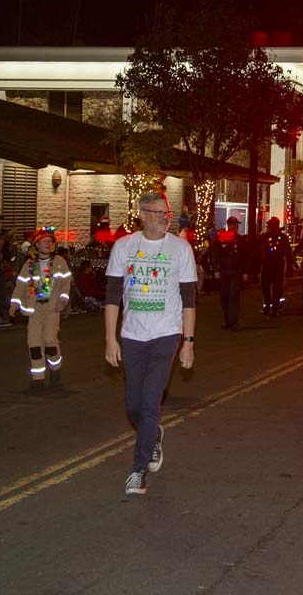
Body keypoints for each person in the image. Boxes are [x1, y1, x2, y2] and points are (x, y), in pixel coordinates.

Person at [104, 192, 196, 496]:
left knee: (150, 400)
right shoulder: (124, 246)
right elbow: (112, 297)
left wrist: (188, 342)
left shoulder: (181, 249)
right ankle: (153, 433)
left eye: (166, 213)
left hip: (166, 334)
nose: (163, 217)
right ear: (141, 214)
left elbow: (189, 300)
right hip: (132, 335)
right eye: (156, 212)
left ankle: (138, 470)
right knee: (133, 404)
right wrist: (110, 339)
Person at [10, 227, 72, 392]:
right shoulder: (30, 264)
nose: (48, 243)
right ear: (36, 245)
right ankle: (38, 379)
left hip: (52, 309)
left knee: (50, 341)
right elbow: (21, 285)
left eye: (50, 241)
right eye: (44, 241)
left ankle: (55, 371)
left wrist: (63, 300)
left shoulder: (59, 262)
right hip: (35, 309)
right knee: (34, 343)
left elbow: (66, 284)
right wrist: (14, 303)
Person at [211, 216, 248, 330]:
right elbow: (215, 254)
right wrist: (216, 269)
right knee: (224, 297)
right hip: (224, 271)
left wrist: (245, 272)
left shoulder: (240, 239)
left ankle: (233, 322)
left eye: (236, 225)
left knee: (233, 295)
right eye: (234, 225)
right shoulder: (221, 237)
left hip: (236, 271)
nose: (236, 227)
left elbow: (245, 257)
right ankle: (228, 320)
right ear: (229, 225)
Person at [259, 216, 295, 316]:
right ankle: (269, 305)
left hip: (276, 265)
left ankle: (274, 307)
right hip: (268, 265)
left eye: (270, 225)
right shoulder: (265, 237)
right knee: (267, 286)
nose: (268, 227)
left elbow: (287, 252)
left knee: (276, 287)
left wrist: (289, 266)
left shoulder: (282, 237)